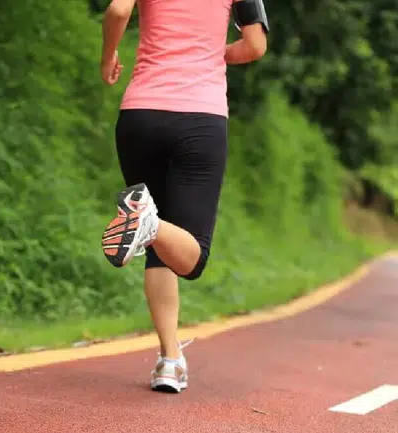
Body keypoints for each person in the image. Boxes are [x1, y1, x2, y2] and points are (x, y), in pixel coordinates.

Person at [98, 0, 268, 393]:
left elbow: (118, 11)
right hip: (200, 120)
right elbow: (255, 46)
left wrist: (108, 57)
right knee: (192, 259)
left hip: (139, 116)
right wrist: (210, 53)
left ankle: (169, 361)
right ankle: (148, 221)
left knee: (159, 248)